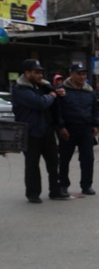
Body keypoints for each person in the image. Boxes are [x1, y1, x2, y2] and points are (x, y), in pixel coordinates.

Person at [11, 59, 68, 203]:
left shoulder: (43, 86)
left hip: (47, 131)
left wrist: (56, 92)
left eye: (41, 72)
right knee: (32, 165)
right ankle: (33, 194)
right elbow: (40, 103)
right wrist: (52, 95)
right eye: (36, 72)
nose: (40, 75)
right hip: (30, 133)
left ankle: (55, 191)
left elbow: (54, 106)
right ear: (27, 73)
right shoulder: (20, 89)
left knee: (53, 163)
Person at [56, 63, 99, 196]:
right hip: (68, 130)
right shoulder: (62, 90)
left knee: (87, 159)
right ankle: (63, 185)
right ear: (71, 74)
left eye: (83, 74)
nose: (82, 76)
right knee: (64, 159)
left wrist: (96, 125)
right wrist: (61, 127)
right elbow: (57, 111)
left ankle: (86, 185)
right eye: (78, 73)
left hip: (86, 130)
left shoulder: (89, 91)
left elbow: (95, 110)